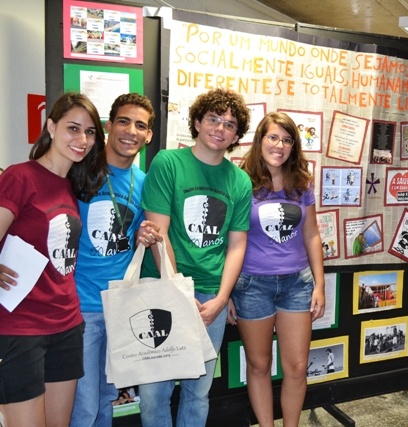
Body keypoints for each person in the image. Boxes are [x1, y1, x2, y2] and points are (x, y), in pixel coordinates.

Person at [137, 88, 252, 427]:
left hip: (210, 298)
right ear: (198, 122)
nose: (220, 128)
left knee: (197, 391)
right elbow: (159, 233)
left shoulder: (240, 181)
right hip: (161, 288)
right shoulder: (168, 163)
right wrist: (177, 294)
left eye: (230, 124)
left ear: (236, 135)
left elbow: (237, 245)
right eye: (214, 119)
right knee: (154, 394)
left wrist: (221, 298)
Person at [0, 92, 108, 427]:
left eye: (90, 132)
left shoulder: (69, 186)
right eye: (73, 128)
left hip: (67, 325)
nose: (82, 139)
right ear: (50, 126)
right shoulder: (20, 177)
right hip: (20, 329)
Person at [227, 112, 325, 427]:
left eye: (286, 139)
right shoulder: (241, 180)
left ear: (293, 146)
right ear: (260, 140)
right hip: (252, 285)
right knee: (258, 366)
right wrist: (226, 291)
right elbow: (229, 240)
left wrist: (320, 285)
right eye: (273, 137)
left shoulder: (301, 182)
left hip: (297, 284)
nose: (279, 145)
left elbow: (312, 235)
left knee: (296, 367)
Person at [70, 93, 163, 427]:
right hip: (80, 306)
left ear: (149, 135)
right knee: (82, 404)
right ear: (108, 126)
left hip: (121, 307)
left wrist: (144, 236)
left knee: (108, 399)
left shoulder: (146, 182)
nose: (131, 131)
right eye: (123, 121)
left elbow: (139, 234)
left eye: (141, 125)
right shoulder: (79, 170)